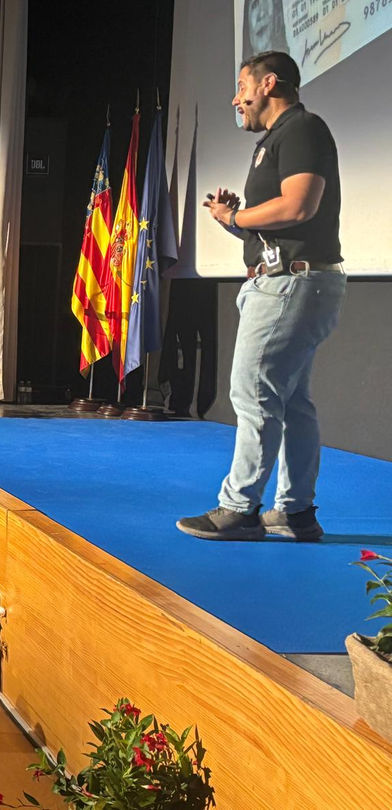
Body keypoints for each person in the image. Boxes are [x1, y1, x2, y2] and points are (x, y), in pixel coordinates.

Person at [177, 51, 345, 542]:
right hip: (291, 278)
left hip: (292, 282)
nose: (236, 99)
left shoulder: (301, 128)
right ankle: (295, 513)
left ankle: (239, 508)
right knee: (291, 403)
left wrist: (237, 217)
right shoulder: (278, 138)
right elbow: (279, 223)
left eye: (241, 87)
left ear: (268, 83)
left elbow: (298, 205)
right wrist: (235, 220)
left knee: (253, 393)